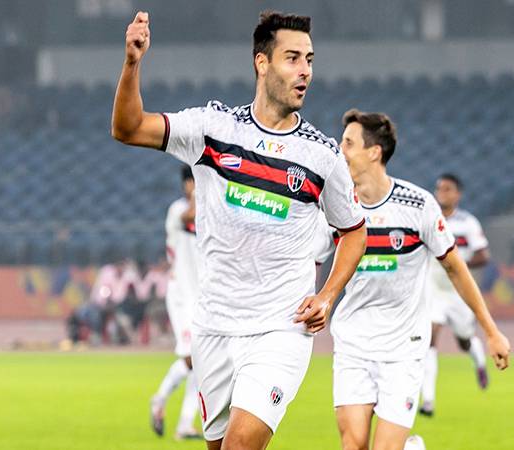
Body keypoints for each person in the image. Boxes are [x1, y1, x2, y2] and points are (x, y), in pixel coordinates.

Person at [111, 10, 367, 450]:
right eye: (292, 58)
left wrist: (327, 296)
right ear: (261, 62)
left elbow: (355, 232)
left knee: (240, 447)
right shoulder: (213, 130)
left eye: (309, 59)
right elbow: (128, 128)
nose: (305, 69)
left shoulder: (322, 156)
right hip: (213, 327)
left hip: (281, 328)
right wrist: (133, 63)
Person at [316, 110, 510, 450]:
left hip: (402, 349)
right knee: (353, 446)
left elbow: (455, 268)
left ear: (374, 152)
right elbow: (311, 258)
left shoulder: (418, 205)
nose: (339, 148)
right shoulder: (335, 205)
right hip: (353, 343)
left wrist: (491, 331)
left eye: (348, 143)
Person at [419, 174, 492, 416]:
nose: (442, 193)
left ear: (457, 194)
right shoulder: (429, 218)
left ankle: (479, 361)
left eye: (448, 189)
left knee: (464, 340)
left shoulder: (467, 223)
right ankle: (428, 401)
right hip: (434, 290)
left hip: (459, 292)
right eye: (439, 188)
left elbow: (483, 255)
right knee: (430, 339)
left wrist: (457, 264)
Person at [150, 166, 202, 440]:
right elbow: (189, 215)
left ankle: (184, 424)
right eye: (195, 179)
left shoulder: (209, 211)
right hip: (182, 295)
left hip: (202, 295)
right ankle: (159, 399)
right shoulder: (178, 210)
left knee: (203, 360)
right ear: (186, 184)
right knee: (192, 358)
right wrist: (200, 192)